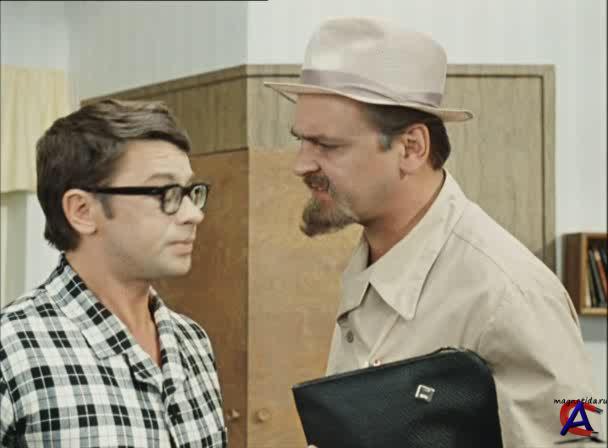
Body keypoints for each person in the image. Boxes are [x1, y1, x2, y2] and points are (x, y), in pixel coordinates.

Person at [265, 17, 598, 447]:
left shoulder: (509, 293)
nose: (301, 164)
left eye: (327, 145)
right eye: (302, 141)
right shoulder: (374, 259)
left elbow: (580, 437)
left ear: (411, 148)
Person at [0, 99, 227, 447]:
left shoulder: (192, 341)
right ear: (82, 211)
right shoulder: (11, 351)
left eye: (189, 192)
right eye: (165, 192)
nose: (193, 215)